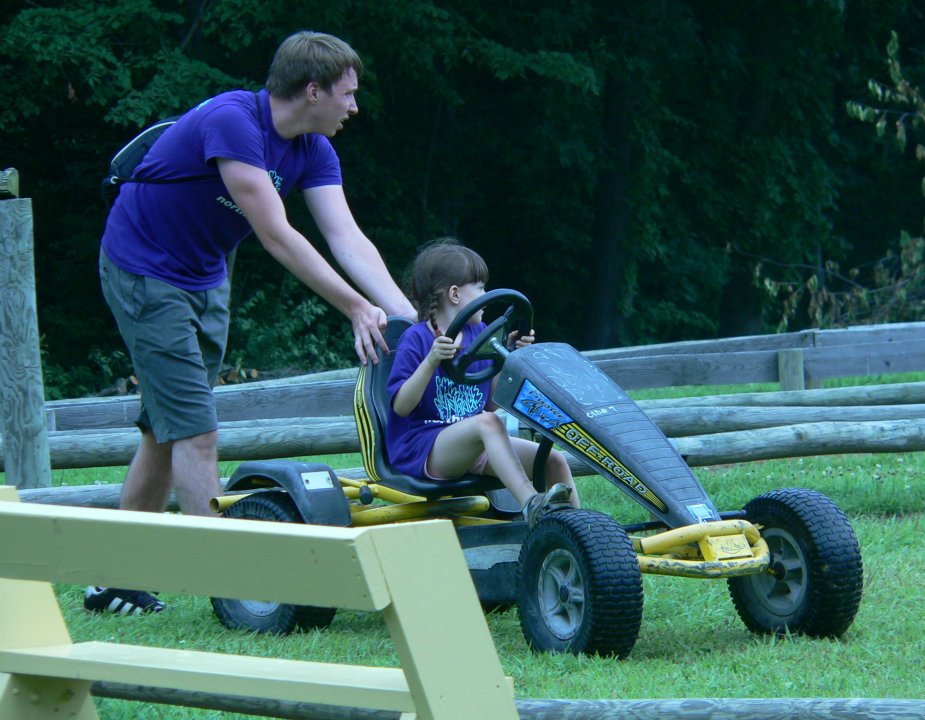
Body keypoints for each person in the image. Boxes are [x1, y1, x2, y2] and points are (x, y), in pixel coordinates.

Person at [88, 30, 416, 615]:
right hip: (143, 270)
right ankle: (235, 589)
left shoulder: (314, 149)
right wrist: (351, 306)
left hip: (205, 276)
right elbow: (276, 235)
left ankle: (113, 575)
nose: (354, 106)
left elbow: (347, 237)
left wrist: (400, 313)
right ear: (311, 90)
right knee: (196, 430)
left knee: (163, 427)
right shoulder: (234, 121)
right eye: (347, 93)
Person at [386, 239, 579, 526]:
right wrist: (430, 361)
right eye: (479, 287)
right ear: (454, 294)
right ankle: (530, 503)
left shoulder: (481, 335)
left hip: (475, 443)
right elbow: (401, 407)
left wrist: (507, 357)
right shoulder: (417, 338)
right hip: (424, 448)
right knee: (487, 423)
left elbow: (490, 402)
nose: (486, 294)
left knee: (553, 461)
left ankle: (582, 533)